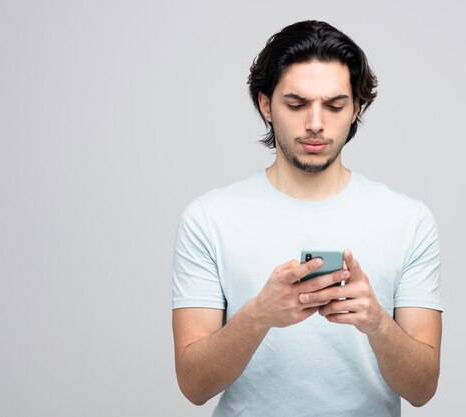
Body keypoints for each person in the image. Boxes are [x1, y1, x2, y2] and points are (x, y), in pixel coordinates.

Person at [172, 20, 443, 417]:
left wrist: (377, 323)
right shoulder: (209, 218)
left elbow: (423, 389)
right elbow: (194, 386)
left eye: (334, 105)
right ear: (266, 104)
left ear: (356, 109)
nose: (315, 123)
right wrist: (259, 314)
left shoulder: (408, 219)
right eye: (296, 104)